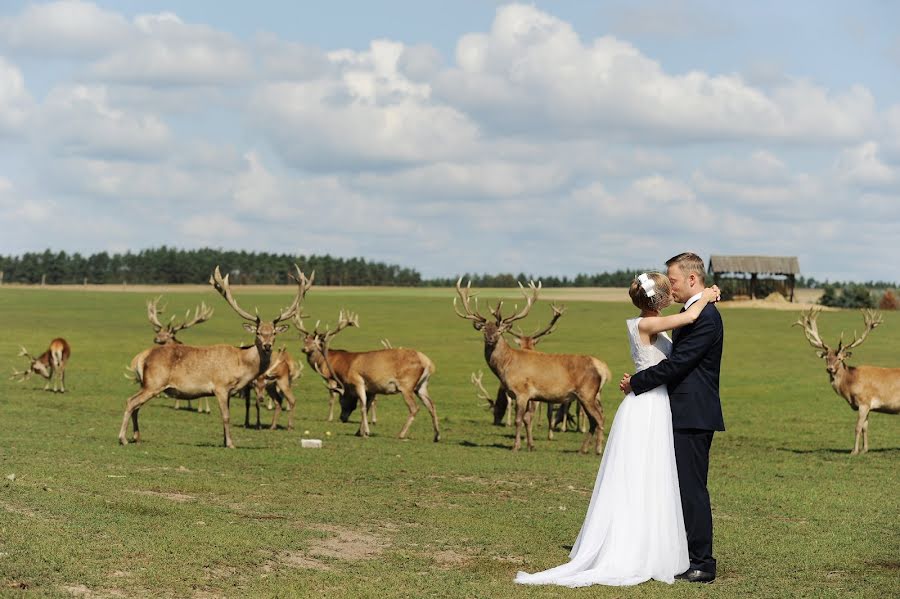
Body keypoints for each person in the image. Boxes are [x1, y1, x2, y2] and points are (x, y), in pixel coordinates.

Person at [515, 266, 720, 587]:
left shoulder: (655, 319)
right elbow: (687, 322)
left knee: (656, 477)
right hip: (648, 405)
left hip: (658, 404)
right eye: (669, 288)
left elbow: (678, 347)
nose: (673, 292)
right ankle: (641, 548)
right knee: (641, 475)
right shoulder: (650, 321)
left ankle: (660, 547)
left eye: (675, 283)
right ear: (660, 298)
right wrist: (706, 296)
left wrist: (704, 298)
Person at [622, 252, 725, 584]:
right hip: (677, 410)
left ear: (692, 279)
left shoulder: (705, 317)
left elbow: (678, 364)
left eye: (675, 280)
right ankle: (679, 553)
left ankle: (703, 562)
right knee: (675, 486)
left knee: (692, 488)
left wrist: (637, 383)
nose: (671, 287)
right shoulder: (691, 312)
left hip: (693, 413)